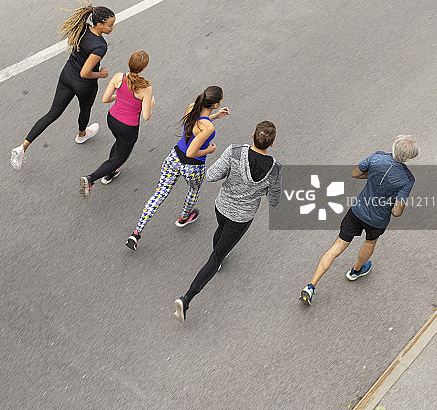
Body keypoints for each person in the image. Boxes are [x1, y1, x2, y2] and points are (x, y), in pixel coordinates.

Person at [174, 120, 282, 323]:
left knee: (221, 228)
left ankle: (219, 257)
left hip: (222, 207)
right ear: (272, 144)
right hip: (241, 218)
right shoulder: (275, 169)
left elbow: (212, 175)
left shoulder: (234, 151)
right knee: (215, 258)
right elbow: (275, 200)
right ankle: (186, 298)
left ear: (253, 136)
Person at [300, 135, 419, 306]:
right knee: (370, 243)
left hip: (357, 211)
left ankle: (311, 286)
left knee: (337, 246)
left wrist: (372, 178)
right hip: (377, 220)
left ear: (394, 146)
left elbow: (355, 173)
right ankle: (355, 271)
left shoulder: (377, 157)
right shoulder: (408, 180)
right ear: (410, 157)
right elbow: (396, 212)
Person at [10, 3, 115, 170]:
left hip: (66, 75)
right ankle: (81, 135)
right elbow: (85, 73)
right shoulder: (100, 46)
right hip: (83, 84)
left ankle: (22, 147)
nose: (112, 28)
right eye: (110, 25)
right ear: (100, 24)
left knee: (52, 113)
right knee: (85, 109)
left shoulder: (83, 27)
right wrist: (100, 75)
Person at [125, 86, 229, 250]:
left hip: (173, 158)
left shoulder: (192, 107)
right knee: (193, 190)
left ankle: (136, 233)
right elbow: (192, 152)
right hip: (193, 167)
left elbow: (197, 125)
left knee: (159, 194)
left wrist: (215, 116)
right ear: (216, 103)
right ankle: (184, 218)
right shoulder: (208, 129)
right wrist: (209, 150)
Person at [80, 50, 154, 197]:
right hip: (128, 127)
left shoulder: (119, 77)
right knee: (120, 157)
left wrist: (120, 97)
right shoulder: (145, 88)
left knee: (119, 143)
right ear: (144, 68)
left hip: (112, 119)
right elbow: (146, 116)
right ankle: (90, 179)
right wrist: (150, 103)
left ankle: (111, 172)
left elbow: (105, 99)